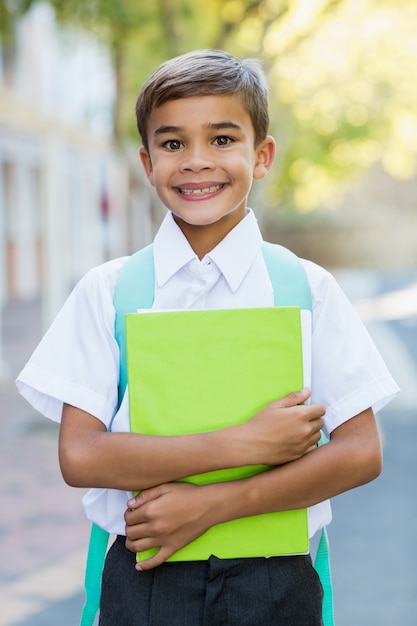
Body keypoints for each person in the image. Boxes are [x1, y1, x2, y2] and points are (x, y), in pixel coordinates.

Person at [16, 49, 399, 625]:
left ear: (262, 155)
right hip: (144, 577)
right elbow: (81, 455)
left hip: (278, 579)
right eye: (173, 144)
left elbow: (360, 451)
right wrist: (244, 444)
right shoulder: (110, 291)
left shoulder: (306, 289)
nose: (197, 162)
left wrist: (212, 504)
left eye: (222, 140)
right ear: (147, 162)